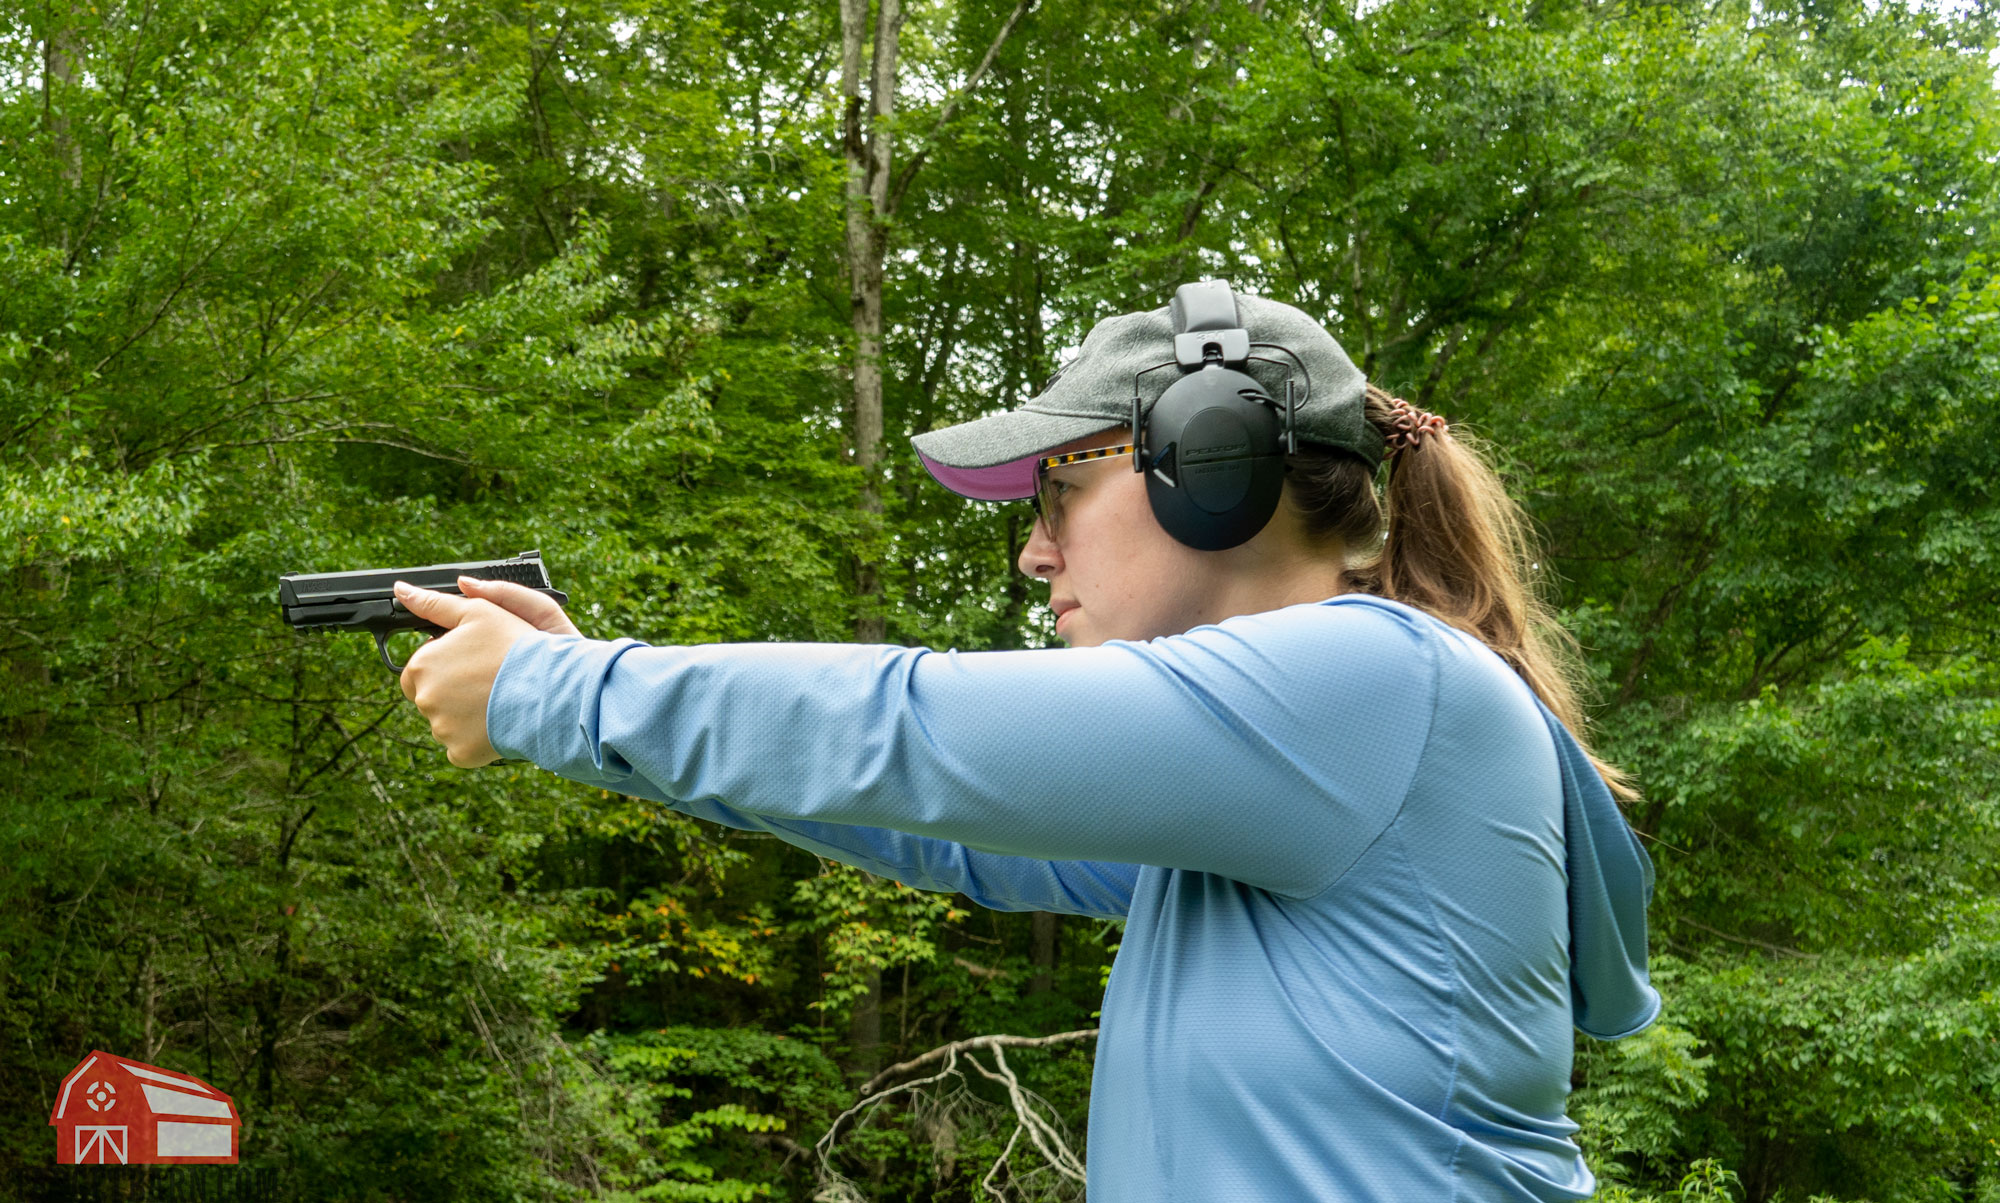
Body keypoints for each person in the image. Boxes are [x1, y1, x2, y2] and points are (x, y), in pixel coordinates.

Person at [394, 281, 1658, 1202]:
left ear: (1205, 465)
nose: (1033, 550)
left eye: (1060, 493)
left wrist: (569, 692)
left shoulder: (1370, 679)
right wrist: (591, 709)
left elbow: (916, 731)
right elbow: (932, 824)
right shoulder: (1283, 773)